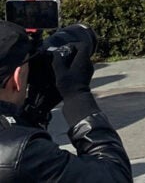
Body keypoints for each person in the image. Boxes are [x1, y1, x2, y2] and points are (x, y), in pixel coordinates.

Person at [0, 21, 131, 181]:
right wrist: (77, 97)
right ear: (17, 78)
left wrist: (35, 112)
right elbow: (115, 176)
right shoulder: (22, 153)